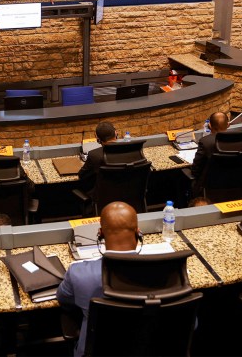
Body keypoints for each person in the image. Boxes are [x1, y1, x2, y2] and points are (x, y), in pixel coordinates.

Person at [57, 201, 140, 357]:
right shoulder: (169, 272)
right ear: (138, 232)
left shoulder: (78, 273)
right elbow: (191, 324)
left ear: (100, 234)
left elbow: (64, 301)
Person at [190, 111, 230, 195]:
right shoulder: (239, 140)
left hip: (207, 188)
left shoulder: (205, 142)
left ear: (209, 125)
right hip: (231, 186)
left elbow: (195, 170)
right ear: (228, 125)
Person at [77, 122, 117, 197]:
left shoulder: (94, 155)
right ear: (116, 134)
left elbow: (81, 175)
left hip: (103, 199)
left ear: (98, 139)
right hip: (128, 200)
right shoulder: (131, 151)